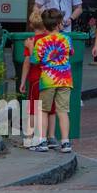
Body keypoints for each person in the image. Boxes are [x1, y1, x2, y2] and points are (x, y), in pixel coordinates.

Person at [30, 8, 75, 153]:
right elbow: (71, 52)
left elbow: (34, 60)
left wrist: (31, 48)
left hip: (48, 80)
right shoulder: (67, 39)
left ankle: (42, 141)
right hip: (65, 79)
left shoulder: (41, 42)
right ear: (59, 24)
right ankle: (65, 142)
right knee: (63, 111)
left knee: (43, 110)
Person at [18, 8, 47, 149]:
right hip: (50, 79)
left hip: (35, 78)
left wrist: (23, 81)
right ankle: (43, 137)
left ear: (31, 25)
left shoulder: (31, 41)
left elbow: (27, 63)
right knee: (46, 109)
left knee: (32, 109)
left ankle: (29, 138)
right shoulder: (50, 39)